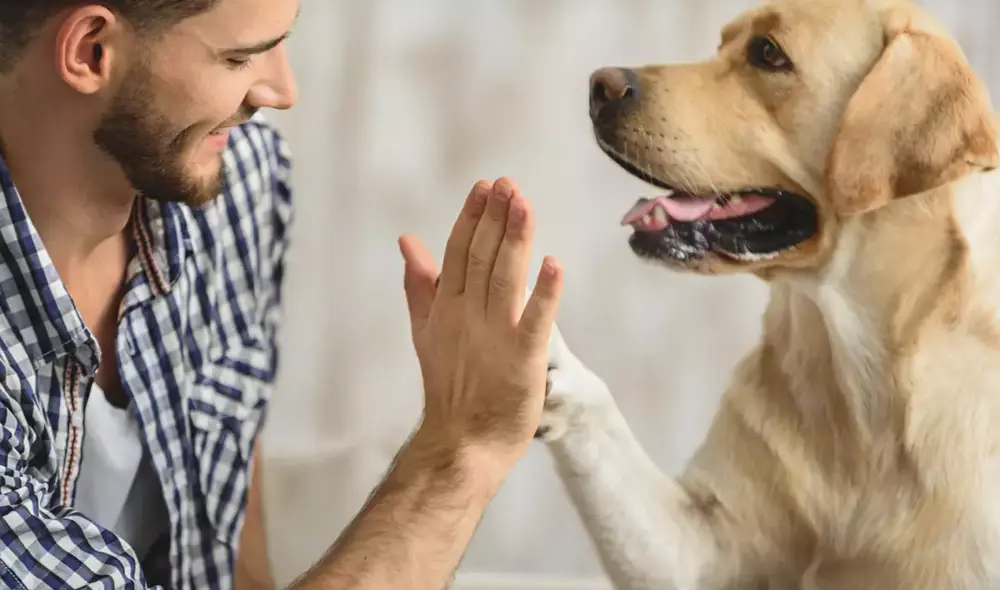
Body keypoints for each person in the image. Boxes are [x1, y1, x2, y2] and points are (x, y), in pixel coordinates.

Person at [0, 0, 563, 589]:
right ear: (91, 51)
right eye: (238, 58)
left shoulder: (234, 179)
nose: (282, 91)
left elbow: (228, 506)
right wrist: (462, 452)